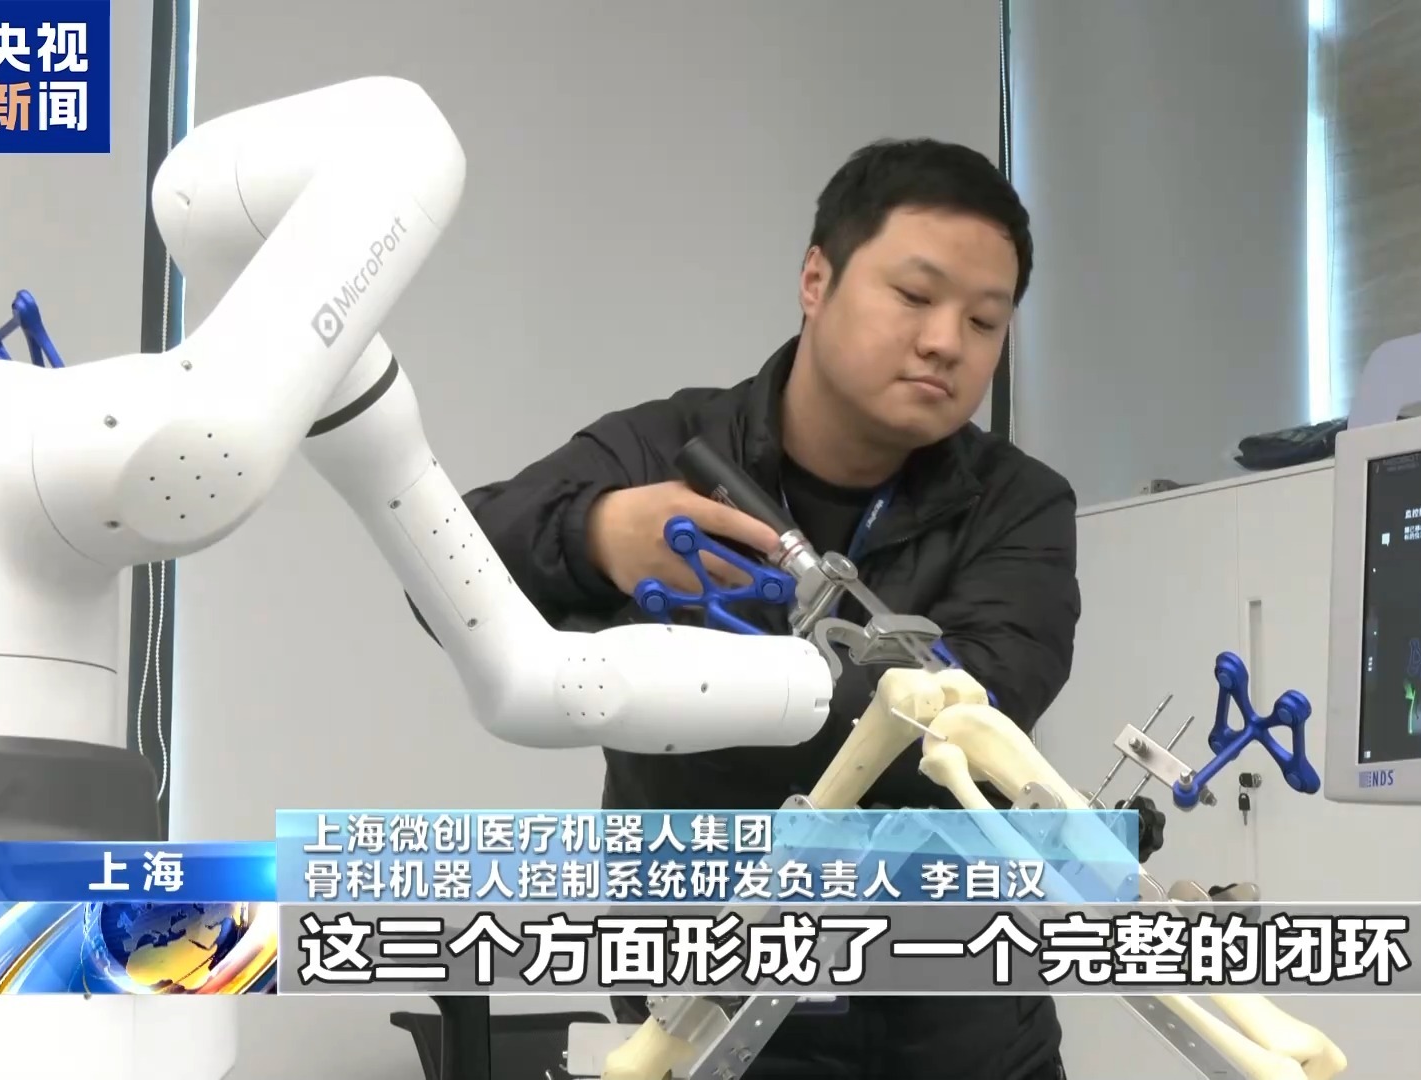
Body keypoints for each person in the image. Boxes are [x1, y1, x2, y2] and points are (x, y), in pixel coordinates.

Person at [450, 137, 1081, 1079]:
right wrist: (598, 533)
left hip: (958, 1033)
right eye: (915, 296)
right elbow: (451, 576)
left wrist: (690, 670)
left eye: (985, 321)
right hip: (701, 1019)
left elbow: (977, 707)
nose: (947, 342)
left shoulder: (1018, 504)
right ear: (816, 280)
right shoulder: (659, 451)